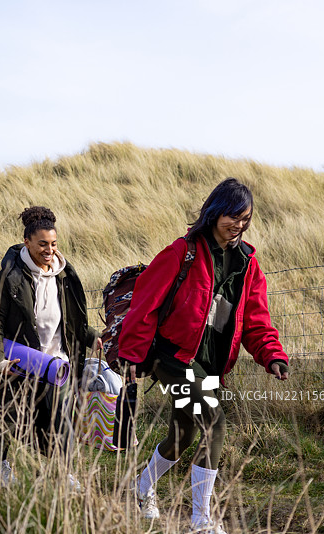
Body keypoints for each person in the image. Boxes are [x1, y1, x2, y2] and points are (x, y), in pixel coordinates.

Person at [118, 178, 290, 534]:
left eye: (245, 218)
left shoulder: (248, 264)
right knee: (213, 420)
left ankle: (140, 489)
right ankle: (202, 521)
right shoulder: (183, 252)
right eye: (232, 216)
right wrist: (132, 357)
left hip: (210, 365)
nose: (238, 225)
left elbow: (256, 320)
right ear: (214, 213)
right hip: (173, 359)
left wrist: (272, 354)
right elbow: (144, 306)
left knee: (182, 435)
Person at [0, 206, 101, 488]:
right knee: (3, 417)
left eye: (54, 244)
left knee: (61, 420)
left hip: (57, 364)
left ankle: (62, 473)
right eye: (42, 244)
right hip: (20, 364)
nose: (49, 250)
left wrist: (93, 336)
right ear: (27, 242)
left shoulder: (64, 276)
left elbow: (71, 320)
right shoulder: (11, 278)